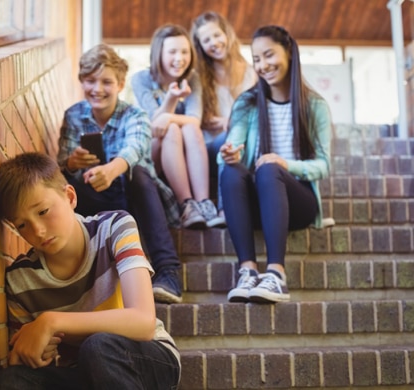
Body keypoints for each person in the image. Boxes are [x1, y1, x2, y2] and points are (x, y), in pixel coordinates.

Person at [0, 152, 181, 390]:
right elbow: (25, 359)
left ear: (70, 197)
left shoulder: (114, 228)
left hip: (143, 356)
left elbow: (143, 322)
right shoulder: (20, 280)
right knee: (11, 381)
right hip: (82, 373)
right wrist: (36, 353)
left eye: (42, 211)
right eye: (21, 225)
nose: (37, 231)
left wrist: (51, 322)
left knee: (98, 347)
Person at [57, 43, 182, 304]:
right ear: (81, 81)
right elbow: (62, 163)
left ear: (120, 84)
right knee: (65, 185)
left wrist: (111, 170)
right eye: (91, 81)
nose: (98, 89)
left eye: (106, 82)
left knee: (138, 173)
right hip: (96, 198)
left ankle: (168, 270)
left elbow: (135, 148)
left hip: (137, 198)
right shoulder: (74, 115)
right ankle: (79, 271)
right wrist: (72, 163)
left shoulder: (135, 115)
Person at [219, 25, 332, 303]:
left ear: (289, 52)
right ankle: (247, 270)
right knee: (232, 171)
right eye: (257, 59)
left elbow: (323, 165)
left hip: (298, 203)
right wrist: (230, 152)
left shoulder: (314, 105)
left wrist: (285, 164)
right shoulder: (248, 103)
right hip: (258, 204)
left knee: (270, 168)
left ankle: (275, 274)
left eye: (269, 55)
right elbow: (235, 141)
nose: (263, 65)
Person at [131, 24, 223, 229]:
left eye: (184, 51)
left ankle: (203, 203)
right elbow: (155, 127)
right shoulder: (141, 80)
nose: (179, 58)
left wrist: (168, 117)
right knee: (171, 128)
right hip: (150, 152)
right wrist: (171, 99)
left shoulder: (192, 79)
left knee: (187, 128)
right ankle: (186, 205)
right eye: (172, 51)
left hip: (183, 150)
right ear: (159, 53)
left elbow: (194, 120)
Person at [191, 11, 258, 225]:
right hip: (212, 146)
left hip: (246, 144)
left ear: (227, 34)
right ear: (200, 46)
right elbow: (202, 118)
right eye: (206, 40)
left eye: (217, 35)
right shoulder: (198, 76)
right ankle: (223, 210)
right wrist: (231, 122)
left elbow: (256, 115)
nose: (214, 43)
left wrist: (228, 119)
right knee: (227, 139)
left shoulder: (250, 72)